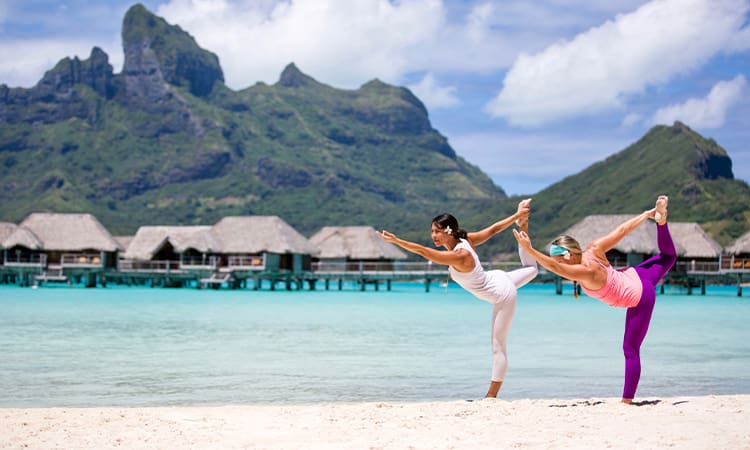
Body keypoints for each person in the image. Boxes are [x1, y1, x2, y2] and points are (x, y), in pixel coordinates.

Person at [512, 195, 676, 404]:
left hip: (640, 297)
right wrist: (645, 215)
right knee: (669, 257)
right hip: (635, 275)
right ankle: (661, 222)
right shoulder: (593, 249)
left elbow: (555, 268)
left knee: (630, 349)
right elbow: (622, 231)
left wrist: (529, 250)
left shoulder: (585, 271)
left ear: (569, 255)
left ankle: (627, 401)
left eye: (558, 258)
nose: (557, 264)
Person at [377, 199, 539, 398]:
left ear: (449, 231)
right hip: (498, 278)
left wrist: (397, 241)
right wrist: (517, 217)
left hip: (502, 294)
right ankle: (523, 225)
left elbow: (423, 251)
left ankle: (490, 397)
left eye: (437, 231)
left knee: (498, 346)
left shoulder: (460, 254)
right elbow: (494, 229)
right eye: (432, 231)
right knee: (532, 270)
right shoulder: (464, 240)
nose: (433, 236)